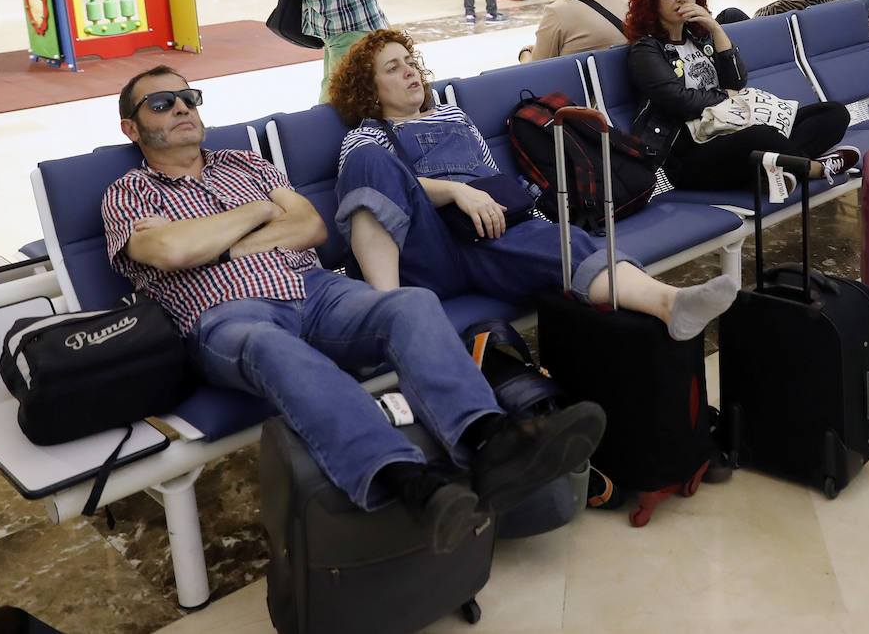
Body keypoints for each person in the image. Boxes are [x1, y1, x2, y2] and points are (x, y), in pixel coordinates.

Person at [101, 66, 604, 553]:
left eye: (189, 97)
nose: (183, 108)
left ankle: (490, 442)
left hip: (317, 291)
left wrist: (214, 241)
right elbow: (170, 253)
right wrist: (258, 212)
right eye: (162, 103)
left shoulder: (246, 164)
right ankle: (407, 481)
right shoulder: (127, 193)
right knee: (270, 346)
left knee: (409, 304)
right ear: (132, 127)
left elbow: (311, 227)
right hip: (227, 316)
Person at [328, 29, 740, 342]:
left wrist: (509, 206)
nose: (410, 71)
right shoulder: (367, 138)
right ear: (370, 90)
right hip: (430, 248)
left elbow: (493, 177)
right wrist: (455, 191)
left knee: (564, 243)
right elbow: (373, 193)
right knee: (369, 164)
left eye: (409, 61)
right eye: (393, 68)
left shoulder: (453, 116)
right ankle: (391, 313)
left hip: (485, 233)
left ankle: (669, 304)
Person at [623, 0, 859, 193]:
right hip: (693, 155)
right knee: (762, 136)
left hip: (733, 127)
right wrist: (726, 96)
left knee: (833, 114)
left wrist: (715, 28)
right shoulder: (646, 48)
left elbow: (737, 81)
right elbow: (678, 99)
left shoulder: (698, 37)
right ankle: (814, 168)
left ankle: (775, 168)